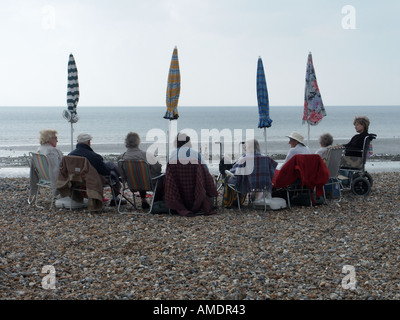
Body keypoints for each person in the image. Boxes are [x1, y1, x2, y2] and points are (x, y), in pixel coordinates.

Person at [69, 133, 125, 206]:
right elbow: (105, 172)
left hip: (75, 180)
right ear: (89, 142)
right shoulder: (93, 156)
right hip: (91, 180)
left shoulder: (70, 155)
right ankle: (116, 196)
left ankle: (121, 178)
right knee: (112, 171)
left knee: (111, 167)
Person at [223, 139, 277, 208]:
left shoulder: (244, 158)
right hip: (263, 184)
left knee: (229, 179)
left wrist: (228, 171)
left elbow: (235, 171)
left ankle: (229, 203)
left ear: (248, 147)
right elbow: (272, 171)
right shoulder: (267, 159)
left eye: (245, 146)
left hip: (247, 184)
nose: (244, 148)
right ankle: (240, 202)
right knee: (242, 178)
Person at [118, 132, 163, 209]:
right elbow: (158, 169)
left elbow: (122, 175)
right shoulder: (146, 155)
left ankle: (143, 200)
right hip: (148, 184)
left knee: (138, 175)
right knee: (160, 177)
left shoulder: (121, 157)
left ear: (126, 142)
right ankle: (157, 201)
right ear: (138, 142)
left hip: (132, 184)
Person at [30, 129, 64, 195]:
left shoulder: (39, 150)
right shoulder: (51, 151)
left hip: (43, 178)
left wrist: (33, 188)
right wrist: (56, 188)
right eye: (55, 138)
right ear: (49, 139)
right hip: (52, 179)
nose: (57, 140)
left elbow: (33, 171)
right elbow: (54, 170)